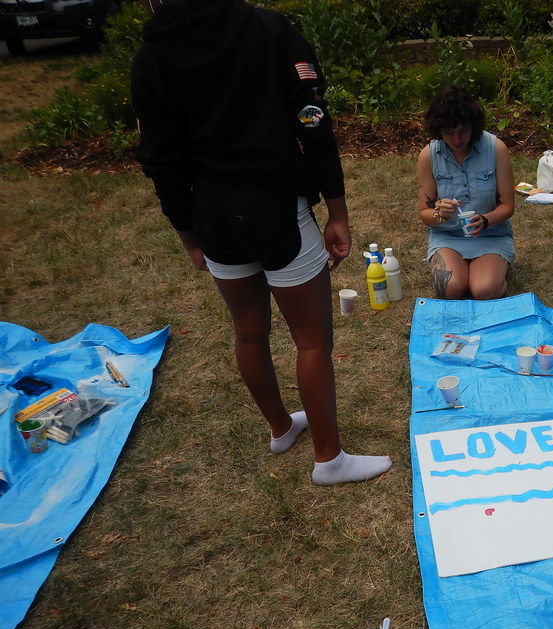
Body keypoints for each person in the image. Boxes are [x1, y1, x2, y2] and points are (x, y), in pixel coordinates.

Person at [131, 0, 390, 485]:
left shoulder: (151, 55)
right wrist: (337, 211)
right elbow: (312, 121)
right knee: (312, 339)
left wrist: (188, 235)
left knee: (249, 332)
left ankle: (280, 427)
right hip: (272, 203)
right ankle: (329, 459)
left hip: (210, 212)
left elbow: (159, 159)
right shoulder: (267, 27)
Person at [416, 84, 516, 300]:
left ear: (474, 125)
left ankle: (493, 271)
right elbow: (425, 213)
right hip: (447, 236)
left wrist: (486, 221)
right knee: (450, 288)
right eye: (449, 133)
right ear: (439, 131)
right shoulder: (429, 155)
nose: (458, 140)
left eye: (463, 131)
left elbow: (508, 206)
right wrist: (438, 214)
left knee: (483, 290)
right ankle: (472, 270)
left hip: (491, 235)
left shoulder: (496, 149)